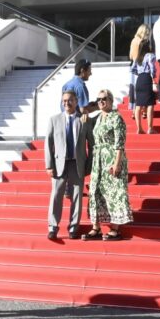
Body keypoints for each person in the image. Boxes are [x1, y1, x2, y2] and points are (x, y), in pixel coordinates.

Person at [81, 89, 132, 241]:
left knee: (115, 192)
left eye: (104, 99)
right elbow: (85, 113)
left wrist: (117, 163)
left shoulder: (116, 118)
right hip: (98, 160)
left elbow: (120, 144)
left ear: (111, 100)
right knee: (95, 191)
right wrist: (87, 112)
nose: (101, 101)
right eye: (99, 99)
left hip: (112, 159)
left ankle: (115, 229)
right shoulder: (99, 117)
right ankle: (95, 227)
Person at [45, 91, 92, 240]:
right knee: (56, 196)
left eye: (70, 100)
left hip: (77, 164)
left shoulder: (84, 120)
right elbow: (48, 143)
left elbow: (92, 144)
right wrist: (49, 165)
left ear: (76, 101)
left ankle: (73, 228)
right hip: (59, 164)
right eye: (64, 101)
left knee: (77, 196)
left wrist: (88, 164)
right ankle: (53, 227)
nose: (67, 103)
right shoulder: (54, 120)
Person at [130, 52, 157, 134]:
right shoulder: (150, 55)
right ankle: (150, 128)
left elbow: (132, 69)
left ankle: (139, 128)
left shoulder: (137, 56)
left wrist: (139, 72)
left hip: (139, 79)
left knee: (138, 105)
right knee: (150, 104)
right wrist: (153, 75)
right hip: (147, 78)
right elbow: (152, 67)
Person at [128, 23, 151, 111]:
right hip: (141, 66)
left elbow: (131, 56)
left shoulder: (134, 40)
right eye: (148, 33)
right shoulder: (143, 42)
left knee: (134, 88)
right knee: (143, 88)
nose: (148, 35)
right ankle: (143, 109)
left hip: (133, 65)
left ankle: (134, 109)